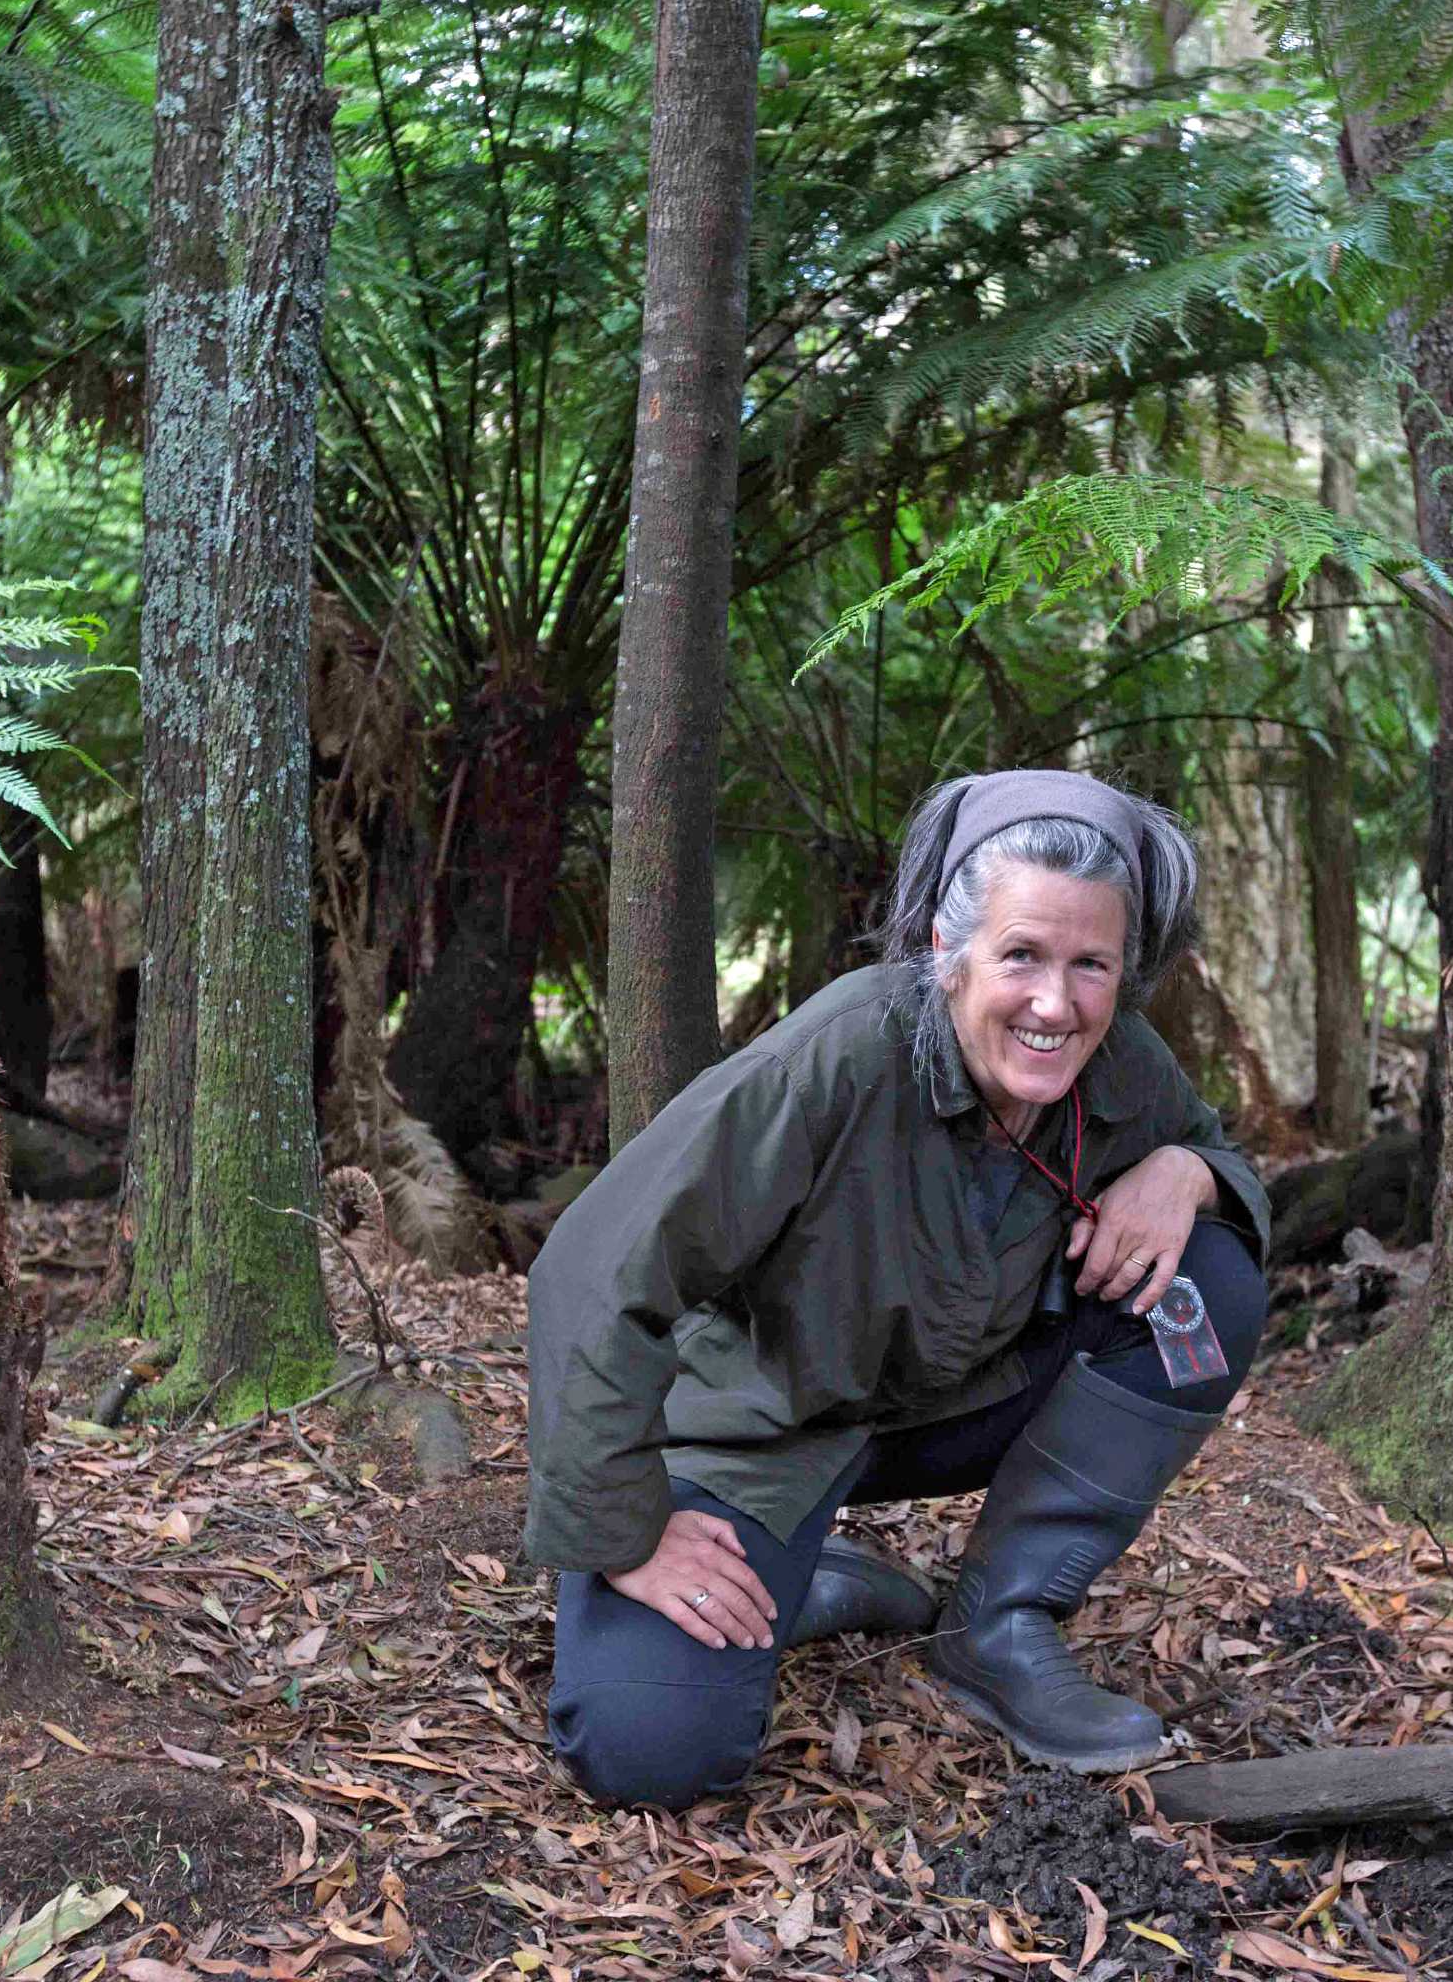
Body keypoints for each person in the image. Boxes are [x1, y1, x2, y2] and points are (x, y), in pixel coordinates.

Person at [525, 769, 1273, 1808]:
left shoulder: (1121, 1064)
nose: (1055, 1002)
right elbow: (593, 1266)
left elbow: (1212, 1150)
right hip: (760, 1437)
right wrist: (626, 1526)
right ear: (944, 946)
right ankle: (804, 1573)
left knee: (1206, 1285)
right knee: (648, 1746)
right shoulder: (837, 1056)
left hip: (953, 1404)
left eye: (1090, 963)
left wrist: (1187, 1172)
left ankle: (999, 1622)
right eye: (1021, 954)